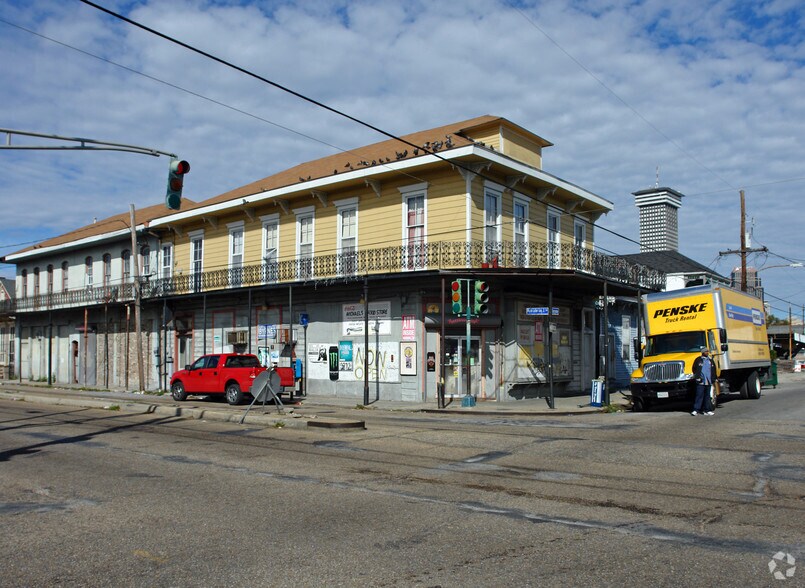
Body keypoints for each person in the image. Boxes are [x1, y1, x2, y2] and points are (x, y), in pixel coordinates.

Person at [692, 346, 716, 416]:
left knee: (707, 396)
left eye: (707, 351)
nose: (707, 352)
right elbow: (694, 368)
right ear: (702, 352)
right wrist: (697, 377)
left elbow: (713, 370)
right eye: (705, 351)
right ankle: (696, 410)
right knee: (699, 395)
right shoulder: (698, 360)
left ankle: (707, 410)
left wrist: (714, 378)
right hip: (701, 381)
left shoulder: (710, 360)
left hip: (708, 381)